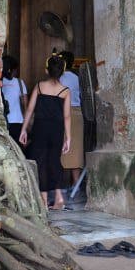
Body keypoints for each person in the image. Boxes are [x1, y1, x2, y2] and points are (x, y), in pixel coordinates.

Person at [19, 53, 71, 210]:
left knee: (40, 162)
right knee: (55, 161)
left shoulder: (40, 87)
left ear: (47, 71)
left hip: (40, 128)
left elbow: (29, 110)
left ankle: (43, 201)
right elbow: (67, 116)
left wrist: (23, 130)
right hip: (57, 129)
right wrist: (68, 138)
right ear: (62, 72)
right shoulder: (65, 91)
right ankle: (59, 198)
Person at [59, 50, 84, 186]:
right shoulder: (77, 78)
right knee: (76, 151)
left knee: (61, 148)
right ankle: (76, 184)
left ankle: (60, 186)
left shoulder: (58, 78)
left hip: (62, 113)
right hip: (77, 113)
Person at [1, 55, 28, 153]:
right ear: (11, 69)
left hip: (1, 120)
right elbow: (25, 103)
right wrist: (26, 120)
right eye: (15, 70)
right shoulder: (20, 82)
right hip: (17, 121)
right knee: (18, 150)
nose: (16, 72)